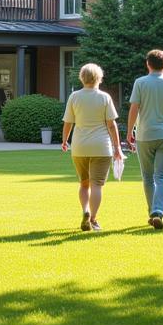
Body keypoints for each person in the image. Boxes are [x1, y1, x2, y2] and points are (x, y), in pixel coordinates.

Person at [61, 63, 124, 231]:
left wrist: (64, 140)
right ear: (99, 78)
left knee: (84, 183)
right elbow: (111, 125)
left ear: (82, 77)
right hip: (101, 146)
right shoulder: (104, 97)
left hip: (80, 146)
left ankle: (85, 211)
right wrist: (117, 147)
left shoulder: (74, 97)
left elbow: (68, 122)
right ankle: (94, 218)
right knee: (97, 185)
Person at [127, 48, 163, 230]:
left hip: (145, 134)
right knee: (162, 177)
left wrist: (129, 131)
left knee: (148, 177)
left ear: (148, 64)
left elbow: (134, 108)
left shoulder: (140, 83)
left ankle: (153, 211)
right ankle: (157, 212)